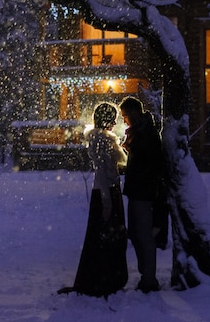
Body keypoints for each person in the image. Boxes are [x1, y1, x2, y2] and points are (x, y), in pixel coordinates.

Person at [58, 102, 128, 298]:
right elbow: (105, 174)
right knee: (107, 237)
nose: (115, 122)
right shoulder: (102, 141)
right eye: (113, 118)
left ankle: (104, 277)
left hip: (107, 192)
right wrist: (107, 202)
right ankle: (105, 279)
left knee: (103, 237)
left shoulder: (103, 139)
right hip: (107, 193)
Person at [119, 96, 165, 293]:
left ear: (134, 113)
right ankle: (146, 275)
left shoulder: (145, 132)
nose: (124, 121)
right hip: (138, 189)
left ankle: (149, 279)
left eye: (125, 116)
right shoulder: (141, 131)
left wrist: (130, 148)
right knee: (138, 234)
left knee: (144, 235)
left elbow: (146, 161)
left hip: (143, 191)